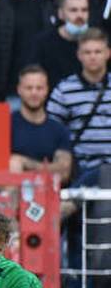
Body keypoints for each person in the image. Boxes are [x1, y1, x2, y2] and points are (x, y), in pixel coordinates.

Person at [46, 29, 111, 179]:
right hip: (81, 170)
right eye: (87, 52)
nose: (93, 57)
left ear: (108, 53)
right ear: (79, 55)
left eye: (97, 52)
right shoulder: (64, 89)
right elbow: (52, 130)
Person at [11, 66, 74, 183]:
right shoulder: (5, 125)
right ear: (19, 90)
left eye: (39, 88)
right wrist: (48, 168)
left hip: (48, 195)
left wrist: (25, 163)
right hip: (11, 196)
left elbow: (64, 172)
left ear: (47, 90)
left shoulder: (58, 130)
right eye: (29, 88)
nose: (34, 93)